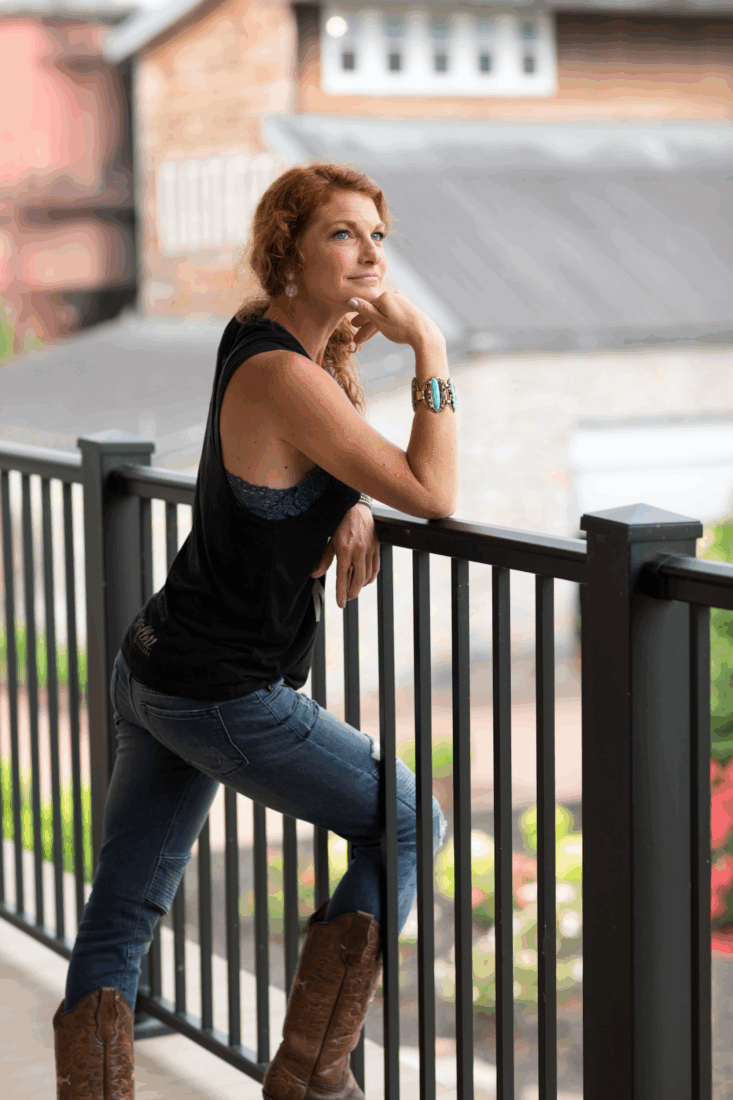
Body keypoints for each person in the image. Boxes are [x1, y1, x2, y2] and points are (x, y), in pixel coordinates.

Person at [52, 161, 457, 1100]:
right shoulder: (282, 368)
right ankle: (310, 1077)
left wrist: (341, 504)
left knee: (123, 909)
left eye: (377, 236)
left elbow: (295, 464)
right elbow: (436, 494)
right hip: (222, 689)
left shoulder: (259, 336)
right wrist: (429, 348)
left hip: (154, 669)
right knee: (409, 822)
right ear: (290, 248)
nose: (368, 253)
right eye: (341, 234)